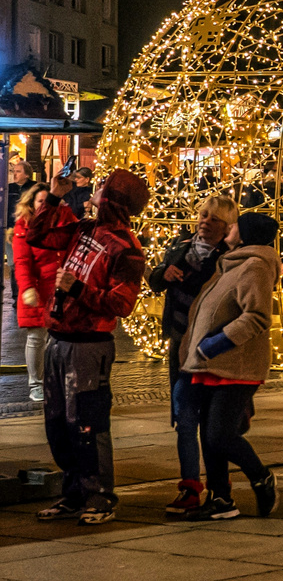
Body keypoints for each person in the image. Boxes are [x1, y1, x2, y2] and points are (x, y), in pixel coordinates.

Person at [30, 169, 148, 525]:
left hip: (89, 345)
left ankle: (100, 496)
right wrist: (53, 197)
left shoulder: (127, 248)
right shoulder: (84, 229)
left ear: (114, 199)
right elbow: (38, 235)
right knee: (58, 424)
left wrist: (79, 288)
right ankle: (73, 493)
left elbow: (122, 304)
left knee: (87, 423)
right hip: (59, 337)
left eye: (102, 187)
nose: (94, 190)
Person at [179, 212, 280, 521]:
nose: (229, 227)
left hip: (235, 365)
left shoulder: (255, 266)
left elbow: (258, 316)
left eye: (235, 224)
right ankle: (221, 497)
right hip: (213, 364)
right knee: (209, 435)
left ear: (246, 233)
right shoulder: (233, 262)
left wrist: (217, 342)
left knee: (219, 435)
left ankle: (261, 477)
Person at [146, 194, 237, 515]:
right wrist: (163, 274)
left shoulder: (230, 259)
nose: (205, 222)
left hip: (210, 350)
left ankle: (221, 488)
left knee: (213, 424)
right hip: (179, 344)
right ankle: (189, 487)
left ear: (227, 227)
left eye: (214, 219)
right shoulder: (181, 246)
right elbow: (154, 279)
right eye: (203, 215)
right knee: (184, 421)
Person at [12, 184, 57, 403]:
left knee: (55, 340)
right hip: (38, 290)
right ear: (31, 204)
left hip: (57, 289)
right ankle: (36, 384)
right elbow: (21, 262)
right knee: (37, 338)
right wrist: (28, 288)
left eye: (47, 202)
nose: (44, 206)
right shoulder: (24, 227)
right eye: (40, 201)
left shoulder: (58, 223)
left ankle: (51, 381)